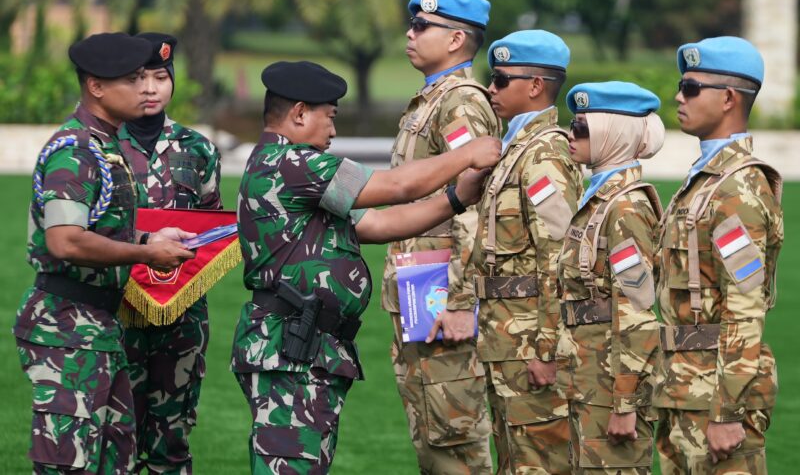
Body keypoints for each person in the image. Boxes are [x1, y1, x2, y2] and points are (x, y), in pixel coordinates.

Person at [231, 60, 501, 474]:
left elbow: (377, 223)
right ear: (300, 113)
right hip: (289, 350)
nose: (333, 131)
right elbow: (396, 188)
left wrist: (455, 200)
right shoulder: (293, 164)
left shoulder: (295, 172)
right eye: (330, 118)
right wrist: (466, 154)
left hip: (304, 349)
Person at [13, 32, 196, 474]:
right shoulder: (76, 149)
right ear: (96, 86)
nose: (145, 89)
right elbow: (66, 239)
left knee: (115, 462)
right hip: (68, 328)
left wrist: (148, 241)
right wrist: (144, 254)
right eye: (131, 79)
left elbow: (97, 226)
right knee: (69, 464)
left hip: (98, 328)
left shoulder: (105, 145)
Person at [381, 0, 501, 474]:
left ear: (456, 40)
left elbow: (473, 206)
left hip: (440, 293)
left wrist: (460, 303)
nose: (410, 34)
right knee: (432, 437)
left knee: (455, 444)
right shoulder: (432, 100)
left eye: (422, 26)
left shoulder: (460, 105)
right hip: (418, 288)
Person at [453, 30, 582, 474]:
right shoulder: (516, 149)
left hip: (529, 342)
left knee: (539, 463)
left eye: (501, 78)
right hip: (506, 339)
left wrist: (547, 350)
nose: (490, 87)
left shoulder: (545, 154)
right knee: (514, 459)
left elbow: (559, 259)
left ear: (534, 86)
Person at [654, 36, 783, 474]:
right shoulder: (709, 181)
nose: (677, 96)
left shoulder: (736, 190)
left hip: (715, 395)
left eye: (690, 88)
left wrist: (727, 411)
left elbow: (744, 307)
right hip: (685, 388)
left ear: (728, 98)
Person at [117, 32, 223, 474]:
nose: (150, 88)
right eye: (139, 78)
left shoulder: (198, 149)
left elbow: (211, 225)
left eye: (160, 77)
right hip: (115, 310)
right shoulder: (101, 145)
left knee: (172, 441)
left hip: (181, 317)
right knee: (113, 436)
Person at [556, 82, 665, 474]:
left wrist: (625, 403)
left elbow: (636, 310)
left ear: (612, 133)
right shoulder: (601, 198)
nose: (571, 135)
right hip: (587, 378)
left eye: (582, 127)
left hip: (609, 387)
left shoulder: (626, 207)